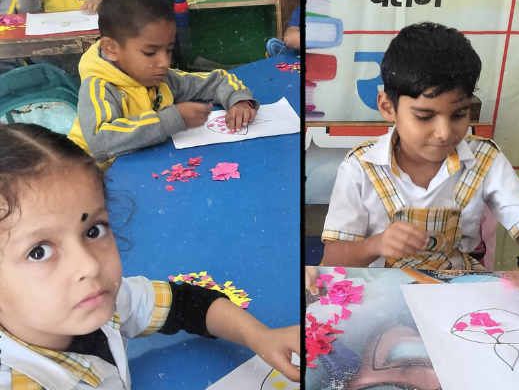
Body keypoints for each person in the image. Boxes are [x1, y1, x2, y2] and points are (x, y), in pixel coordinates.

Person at [0, 124, 301, 386]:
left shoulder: (103, 299)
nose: (89, 265)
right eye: (39, 251)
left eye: (93, 230)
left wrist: (259, 336)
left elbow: (185, 303)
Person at [320, 22, 519, 295]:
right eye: (425, 117)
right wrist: (377, 244)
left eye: (459, 115)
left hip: (454, 291)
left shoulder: (484, 159)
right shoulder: (361, 167)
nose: (445, 133)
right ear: (388, 107)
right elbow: (333, 259)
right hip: (380, 294)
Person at [68, 0, 258, 167]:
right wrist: (171, 120)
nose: (164, 62)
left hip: (142, 171)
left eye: (168, 50)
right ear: (111, 49)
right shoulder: (98, 87)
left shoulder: (162, 78)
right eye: (150, 52)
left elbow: (216, 81)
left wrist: (239, 101)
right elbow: (100, 142)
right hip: (94, 179)